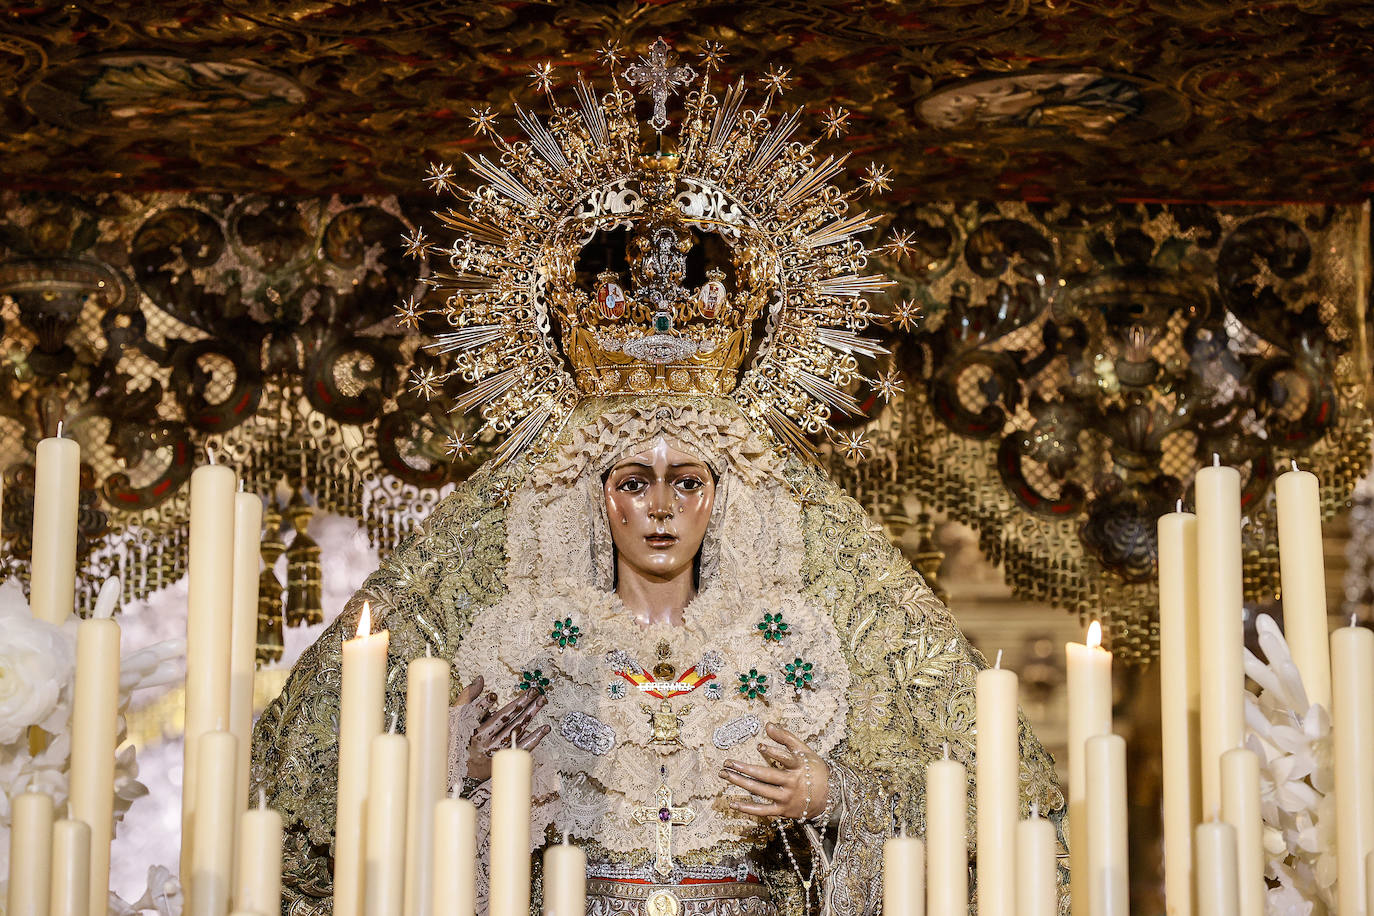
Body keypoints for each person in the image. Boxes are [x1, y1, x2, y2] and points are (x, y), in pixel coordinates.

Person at [249, 39, 1066, 916]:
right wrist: (459, 772)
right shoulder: (515, 636)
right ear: (593, 495)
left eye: (690, 483)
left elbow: (990, 803)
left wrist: (831, 796)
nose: (663, 508)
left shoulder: (797, 637)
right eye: (634, 480)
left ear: (727, 493)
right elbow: (324, 807)